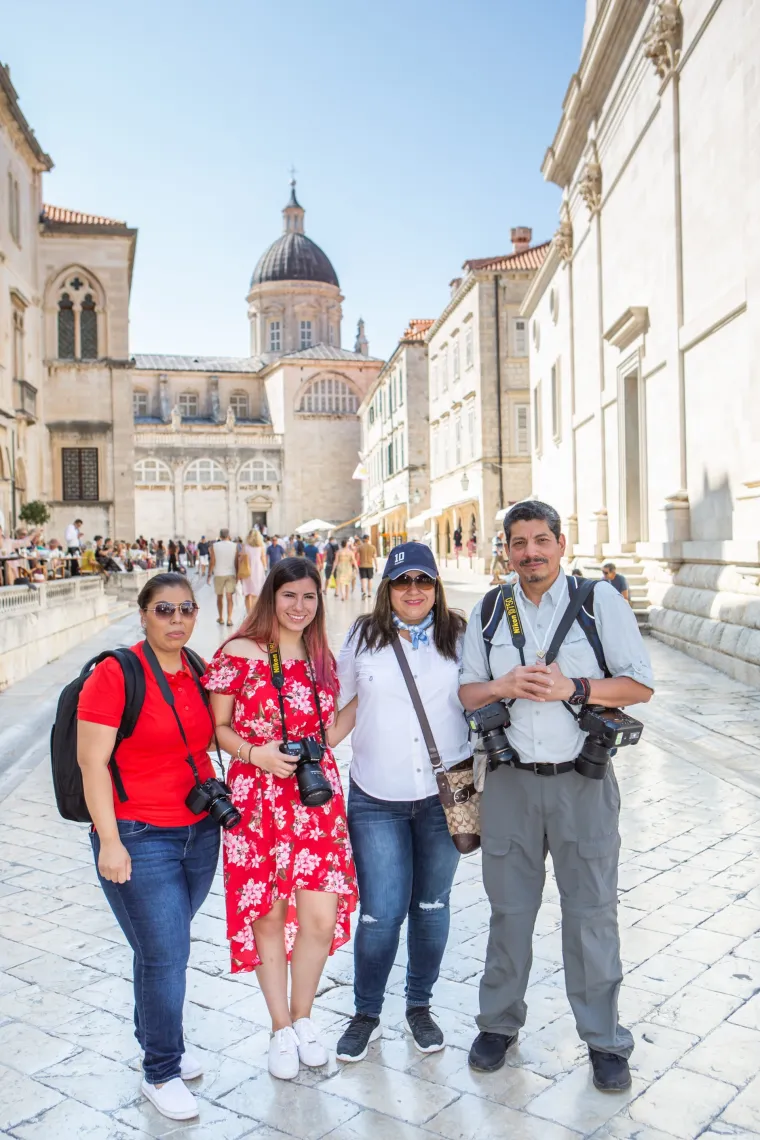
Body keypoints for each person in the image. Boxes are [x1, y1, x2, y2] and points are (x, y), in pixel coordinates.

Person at [458, 500, 654, 1091]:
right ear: (507, 551)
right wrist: (502, 684)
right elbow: (467, 693)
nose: (531, 553)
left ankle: (604, 1039)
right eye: (519, 543)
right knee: (508, 911)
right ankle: (498, 1023)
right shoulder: (489, 610)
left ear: (561, 544)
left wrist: (578, 687)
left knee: (592, 914)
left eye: (541, 541)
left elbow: (640, 683)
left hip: (583, 781)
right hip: (511, 782)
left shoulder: (601, 602)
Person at [203, 558, 357, 1080]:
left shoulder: (321, 658)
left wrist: (371, 694)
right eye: (289, 595)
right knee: (267, 916)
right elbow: (217, 728)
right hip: (257, 796)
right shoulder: (238, 653)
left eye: (309, 597)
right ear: (271, 596)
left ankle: (304, 1016)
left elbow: (328, 734)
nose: (299, 607)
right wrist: (256, 754)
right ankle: (279, 1027)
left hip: (315, 801)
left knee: (319, 916)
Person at [76, 572, 220, 1122]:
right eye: (164, 610)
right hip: (138, 833)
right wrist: (109, 841)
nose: (177, 619)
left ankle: (159, 1040)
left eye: (186, 609)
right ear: (143, 615)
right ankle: (161, 1070)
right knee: (168, 953)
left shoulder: (198, 669)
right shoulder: (117, 673)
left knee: (160, 948)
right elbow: (92, 763)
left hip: (200, 829)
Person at [331, 542, 469, 1062]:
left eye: (423, 581)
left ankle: (419, 1006)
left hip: (447, 792)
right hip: (376, 796)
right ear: (387, 587)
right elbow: (342, 709)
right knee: (381, 913)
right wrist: (304, 749)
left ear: (436, 587)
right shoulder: (363, 636)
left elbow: (483, 697)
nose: (414, 591)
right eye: (403, 581)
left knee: (431, 907)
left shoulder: (460, 635)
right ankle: (366, 1013)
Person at [208, 528, 238, 627]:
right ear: (228, 535)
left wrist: (208, 575)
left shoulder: (215, 546)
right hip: (231, 573)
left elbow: (212, 561)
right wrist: (237, 574)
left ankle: (221, 617)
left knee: (219, 596)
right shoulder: (234, 546)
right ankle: (229, 619)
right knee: (230, 597)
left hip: (219, 573)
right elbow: (236, 562)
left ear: (220, 536)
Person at [239, 528, 267, 614]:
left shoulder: (245, 546)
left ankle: (249, 613)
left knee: (248, 593)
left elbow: (242, 558)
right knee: (255, 593)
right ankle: (254, 614)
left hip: (247, 570)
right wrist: (265, 568)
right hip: (258, 570)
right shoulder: (261, 546)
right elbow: (263, 558)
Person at [355, 535, 377, 600]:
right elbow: (375, 558)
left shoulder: (360, 547)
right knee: (370, 580)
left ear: (363, 539)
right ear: (368, 539)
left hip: (362, 565)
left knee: (363, 580)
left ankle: (364, 592)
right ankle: (369, 593)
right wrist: (376, 566)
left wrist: (356, 566)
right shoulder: (373, 547)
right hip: (370, 566)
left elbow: (357, 558)